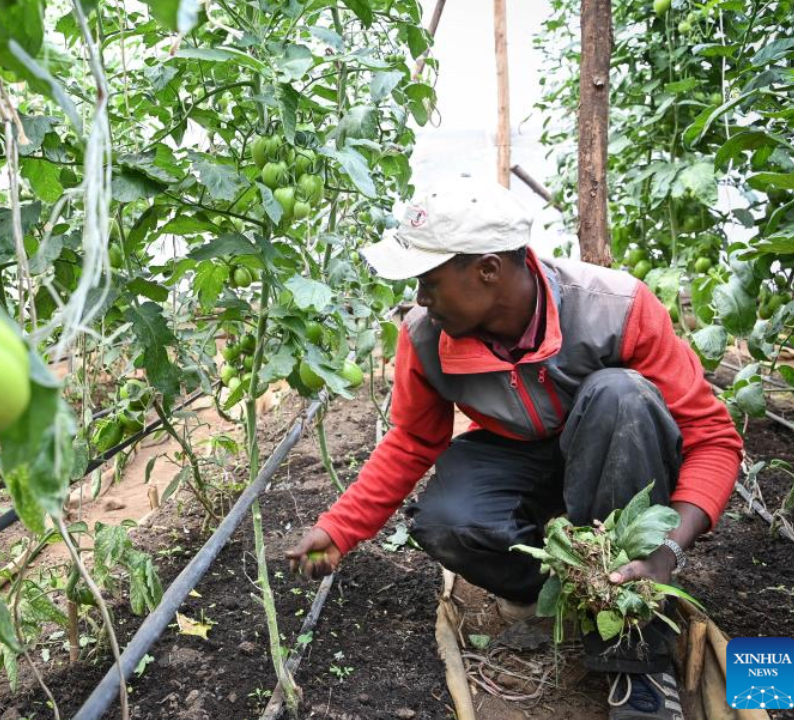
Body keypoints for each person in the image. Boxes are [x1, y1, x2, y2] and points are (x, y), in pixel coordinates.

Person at [285, 178, 741, 720]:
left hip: (620, 457)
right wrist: (339, 529)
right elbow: (412, 439)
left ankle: (635, 655)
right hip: (521, 456)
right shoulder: (427, 335)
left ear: (487, 270)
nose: (420, 299)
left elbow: (713, 440)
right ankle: (577, 591)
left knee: (620, 396)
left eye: (428, 281)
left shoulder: (614, 306)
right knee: (448, 521)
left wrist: (666, 553)